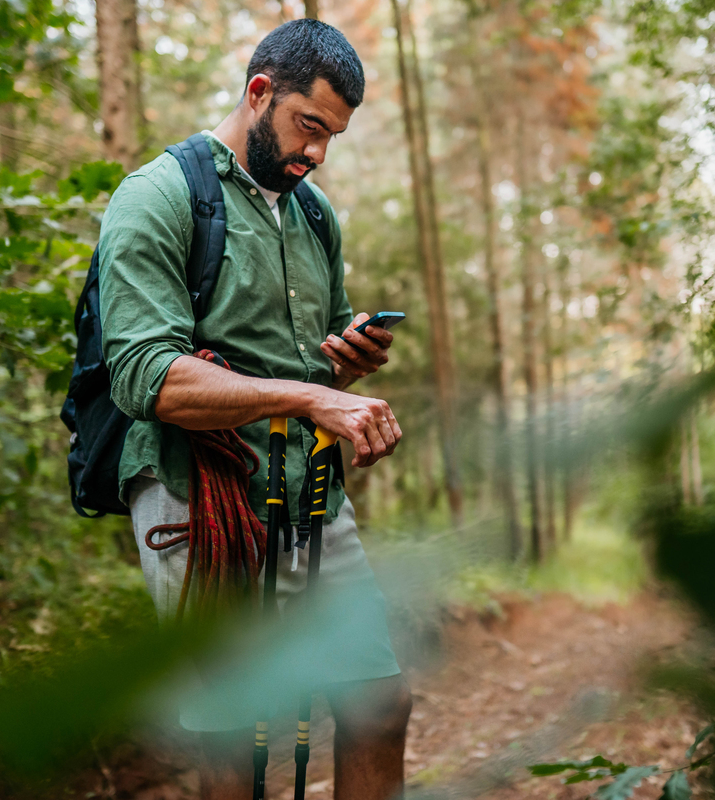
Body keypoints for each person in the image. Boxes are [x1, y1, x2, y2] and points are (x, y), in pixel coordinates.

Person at [96, 19, 411, 800]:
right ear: (259, 92)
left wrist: (345, 356)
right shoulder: (159, 196)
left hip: (308, 490)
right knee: (237, 736)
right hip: (194, 491)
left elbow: (319, 341)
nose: (318, 154)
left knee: (377, 700)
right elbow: (145, 376)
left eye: (333, 136)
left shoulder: (313, 214)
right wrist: (310, 396)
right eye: (310, 127)